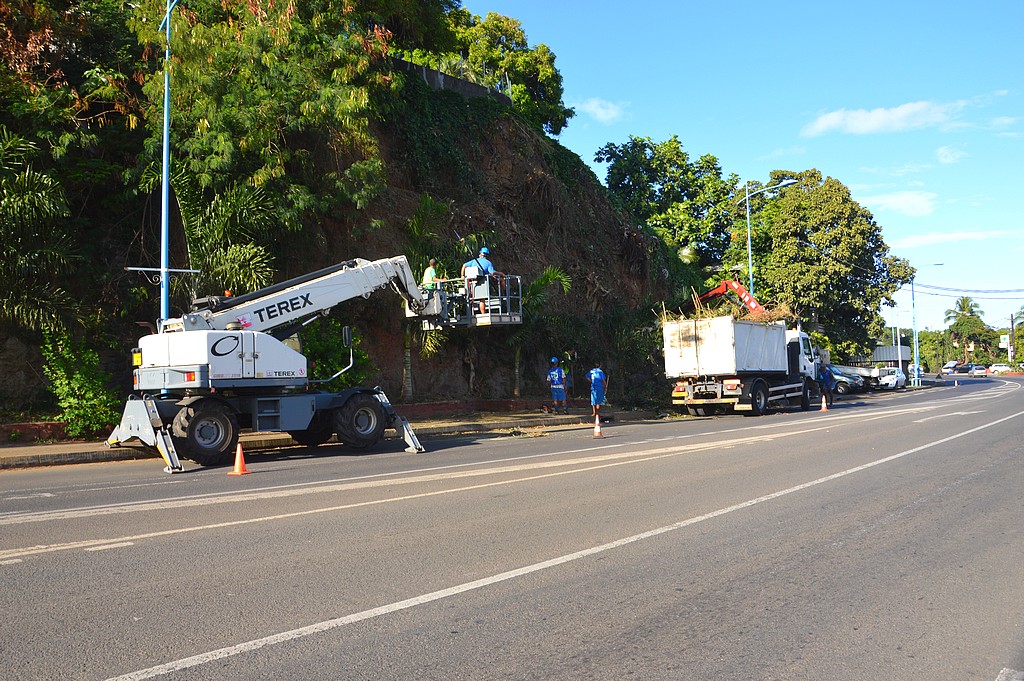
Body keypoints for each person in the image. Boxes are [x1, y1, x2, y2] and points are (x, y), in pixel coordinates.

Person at [461, 247, 497, 314]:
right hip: (482, 282)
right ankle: (483, 314)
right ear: (486, 255)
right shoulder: (488, 263)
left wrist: (462, 276)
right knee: (482, 299)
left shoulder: (474, 261)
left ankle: (468, 313)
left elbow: (464, 265)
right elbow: (492, 273)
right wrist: (500, 273)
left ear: (480, 254)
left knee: (469, 298)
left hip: (471, 282)